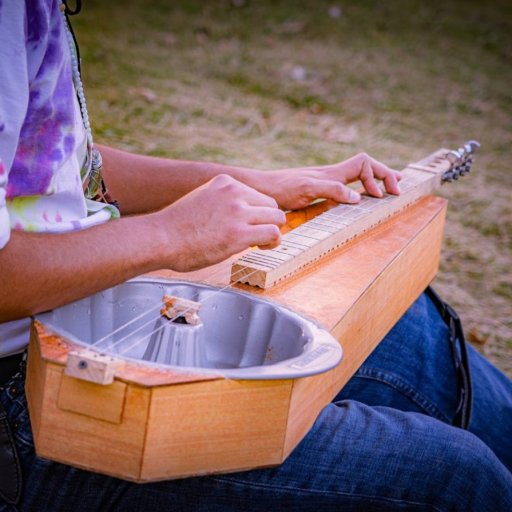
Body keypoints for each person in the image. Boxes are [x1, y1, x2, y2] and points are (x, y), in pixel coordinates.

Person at [0, 1, 510, 510]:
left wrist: (258, 183)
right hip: (29, 405)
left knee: (413, 335)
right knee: (456, 482)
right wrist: (169, 234)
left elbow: (62, 159)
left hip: (84, 312)